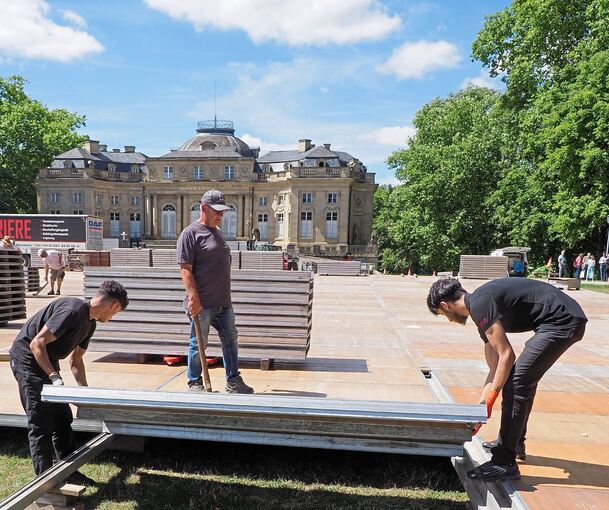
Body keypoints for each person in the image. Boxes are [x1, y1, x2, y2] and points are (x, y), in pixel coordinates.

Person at [427, 278, 587, 481]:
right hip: (558, 321)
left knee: (517, 383)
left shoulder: (480, 304)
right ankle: (515, 442)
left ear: (444, 305)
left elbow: (506, 355)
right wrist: (481, 407)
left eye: (443, 315)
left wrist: (492, 398)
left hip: (562, 321)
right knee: (521, 381)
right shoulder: (480, 308)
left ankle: (504, 463)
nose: (448, 319)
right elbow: (495, 368)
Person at [8, 280, 128, 482]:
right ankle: (44, 481)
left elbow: (76, 360)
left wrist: (84, 393)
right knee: (40, 421)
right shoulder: (73, 310)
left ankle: (69, 471)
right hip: (27, 360)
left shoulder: (89, 324)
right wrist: (54, 376)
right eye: (116, 313)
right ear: (114, 305)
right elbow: (37, 343)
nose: (113, 317)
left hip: (46, 362)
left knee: (63, 417)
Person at [176, 189, 253, 394]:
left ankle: (233, 381)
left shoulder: (217, 232)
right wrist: (193, 298)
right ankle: (195, 382)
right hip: (202, 304)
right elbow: (185, 269)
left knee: (231, 340)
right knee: (198, 344)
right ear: (203, 208)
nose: (221, 215)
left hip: (223, 303)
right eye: (217, 211)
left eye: (223, 211)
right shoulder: (190, 234)